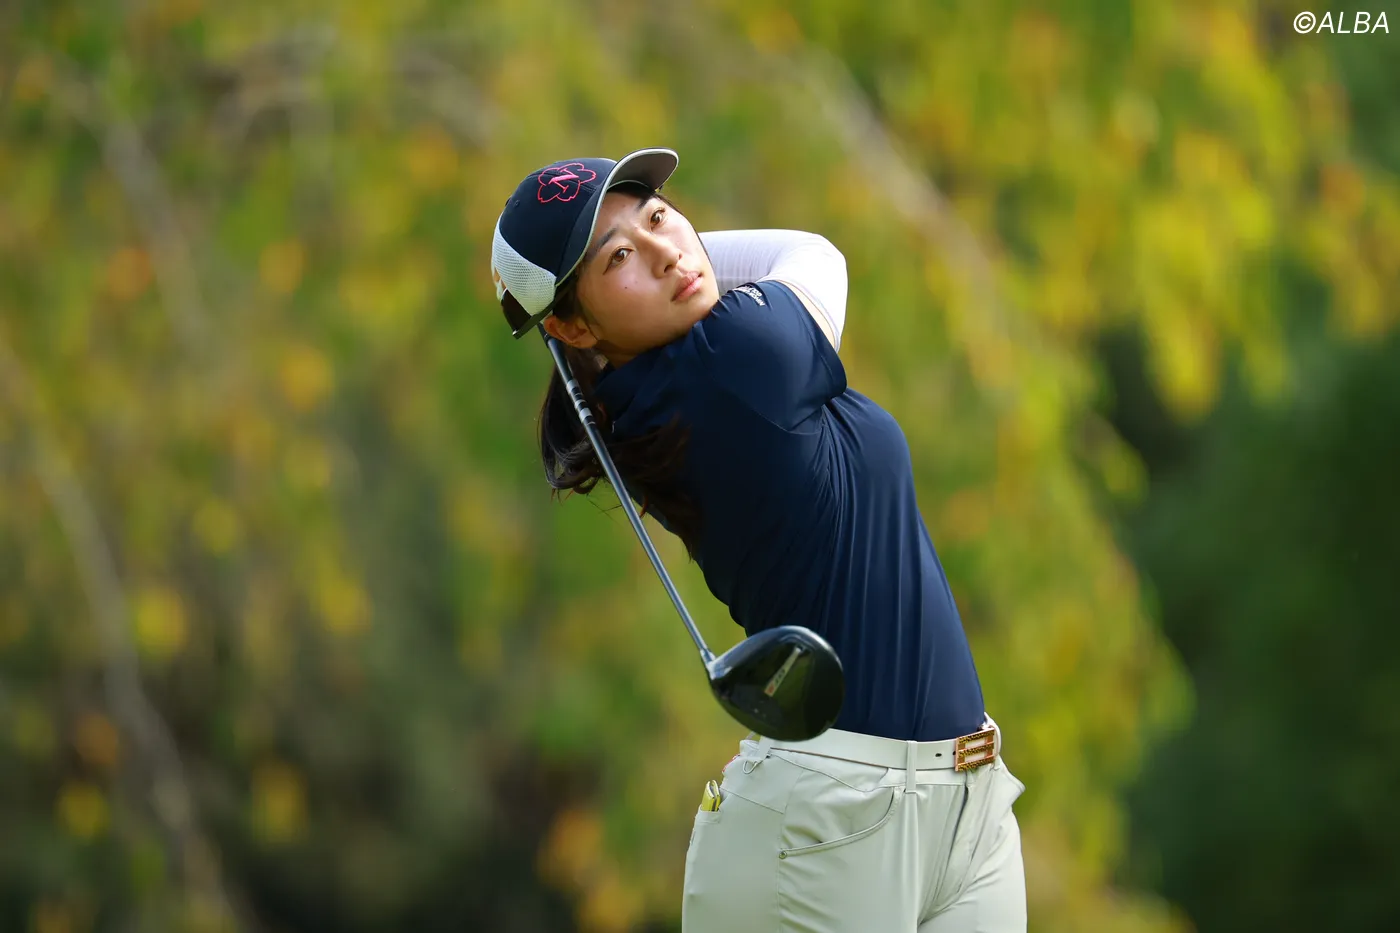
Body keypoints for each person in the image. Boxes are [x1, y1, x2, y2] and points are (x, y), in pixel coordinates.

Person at [490, 148, 1027, 932]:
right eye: (618, 259)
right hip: (825, 832)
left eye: (660, 216)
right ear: (572, 326)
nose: (667, 252)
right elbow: (812, 254)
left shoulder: (662, 389)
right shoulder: (735, 360)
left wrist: (646, 256)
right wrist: (685, 249)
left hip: (966, 803)